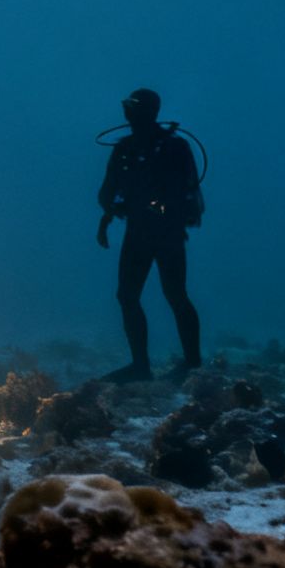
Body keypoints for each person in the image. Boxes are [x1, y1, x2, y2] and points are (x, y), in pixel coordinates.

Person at [97, 88, 203, 382]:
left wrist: (116, 211)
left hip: (165, 232)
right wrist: (108, 214)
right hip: (138, 231)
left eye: (131, 106)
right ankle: (141, 365)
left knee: (174, 294)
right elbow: (109, 190)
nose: (126, 111)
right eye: (126, 105)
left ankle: (191, 363)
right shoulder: (124, 148)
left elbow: (186, 193)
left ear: (147, 110)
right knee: (128, 295)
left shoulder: (173, 147)